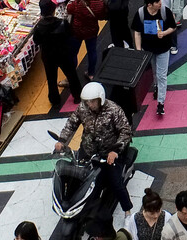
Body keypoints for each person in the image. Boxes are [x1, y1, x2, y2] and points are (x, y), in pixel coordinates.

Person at [54, 83, 134, 213]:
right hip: (87, 150)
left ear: (100, 99)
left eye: (92, 101)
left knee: (116, 184)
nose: (89, 104)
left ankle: (128, 212)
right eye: (87, 101)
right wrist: (62, 141)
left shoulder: (114, 110)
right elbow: (71, 124)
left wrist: (115, 151)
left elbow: (125, 132)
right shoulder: (82, 108)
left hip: (108, 154)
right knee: (73, 176)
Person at [132, 0, 178, 116]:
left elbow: (173, 27)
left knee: (162, 75)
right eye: (157, 1)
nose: (160, 3)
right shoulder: (141, 14)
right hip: (148, 50)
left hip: (163, 49)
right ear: (149, 5)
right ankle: (156, 86)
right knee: (154, 72)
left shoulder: (165, 11)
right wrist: (139, 49)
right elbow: (137, 32)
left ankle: (160, 103)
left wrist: (164, 33)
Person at [34, 0, 82, 108]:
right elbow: (70, 34)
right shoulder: (62, 23)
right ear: (53, 10)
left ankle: (55, 100)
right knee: (71, 74)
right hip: (63, 53)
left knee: (51, 78)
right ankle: (77, 95)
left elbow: (36, 41)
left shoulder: (39, 27)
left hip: (48, 56)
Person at [69, 0, 108, 76]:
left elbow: (69, 9)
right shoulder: (99, 4)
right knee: (92, 51)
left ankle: (72, 75)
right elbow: (102, 17)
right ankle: (91, 73)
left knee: (73, 53)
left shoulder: (77, 4)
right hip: (91, 31)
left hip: (77, 31)